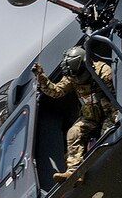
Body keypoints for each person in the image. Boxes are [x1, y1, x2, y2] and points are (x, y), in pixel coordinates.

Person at [33, 45, 116, 179]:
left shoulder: (103, 71)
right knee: (73, 133)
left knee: (106, 136)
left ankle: (109, 163)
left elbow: (117, 94)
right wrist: (41, 77)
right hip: (90, 118)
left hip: (109, 114)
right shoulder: (72, 77)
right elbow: (56, 91)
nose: (77, 79)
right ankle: (74, 172)